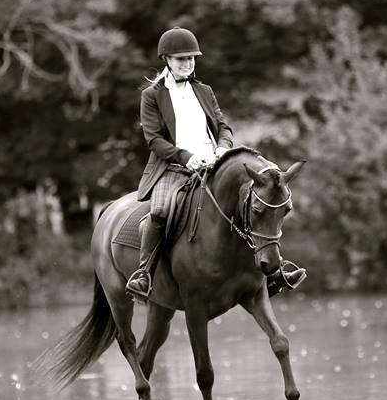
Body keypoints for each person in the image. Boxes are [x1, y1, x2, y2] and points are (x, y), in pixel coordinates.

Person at [125, 26, 305, 299]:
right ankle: (143, 274)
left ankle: (274, 272)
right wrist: (187, 157)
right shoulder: (152, 95)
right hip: (173, 168)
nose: (187, 64)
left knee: (254, 201)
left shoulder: (205, 91)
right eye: (181, 59)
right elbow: (154, 141)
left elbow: (223, 127)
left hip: (214, 164)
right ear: (167, 60)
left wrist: (223, 147)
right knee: (160, 211)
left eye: (191, 59)